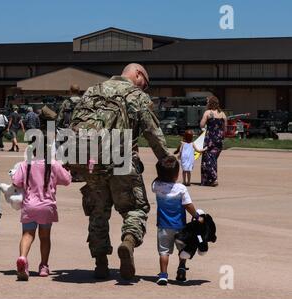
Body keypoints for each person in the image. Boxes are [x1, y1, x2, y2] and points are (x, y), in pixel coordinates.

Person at [78, 63, 170, 280]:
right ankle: (128, 241)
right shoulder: (136, 95)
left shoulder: (93, 90)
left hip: (91, 160)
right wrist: (167, 161)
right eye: (145, 83)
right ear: (137, 74)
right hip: (122, 156)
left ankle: (100, 263)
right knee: (135, 208)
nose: (144, 88)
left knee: (98, 213)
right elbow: (152, 131)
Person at [11, 142, 72, 281]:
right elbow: (67, 180)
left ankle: (23, 258)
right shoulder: (54, 164)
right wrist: (68, 170)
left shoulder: (25, 164)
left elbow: (16, 181)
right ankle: (44, 266)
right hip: (47, 206)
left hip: (29, 205)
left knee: (27, 234)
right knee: (44, 237)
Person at [152, 156, 204, 285]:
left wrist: (160, 175)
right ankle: (181, 269)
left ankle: (163, 275)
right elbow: (188, 206)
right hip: (180, 227)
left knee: (164, 252)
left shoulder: (156, 186)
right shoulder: (181, 188)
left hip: (163, 226)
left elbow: (155, 181)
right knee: (183, 249)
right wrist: (197, 216)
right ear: (176, 174)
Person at [200, 96, 227, 187]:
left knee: (208, 159)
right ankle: (210, 179)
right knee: (213, 159)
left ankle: (213, 179)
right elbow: (225, 128)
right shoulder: (223, 114)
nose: (206, 103)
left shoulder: (208, 113)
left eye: (207, 102)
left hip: (210, 139)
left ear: (210, 103)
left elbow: (202, 124)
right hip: (219, 139)